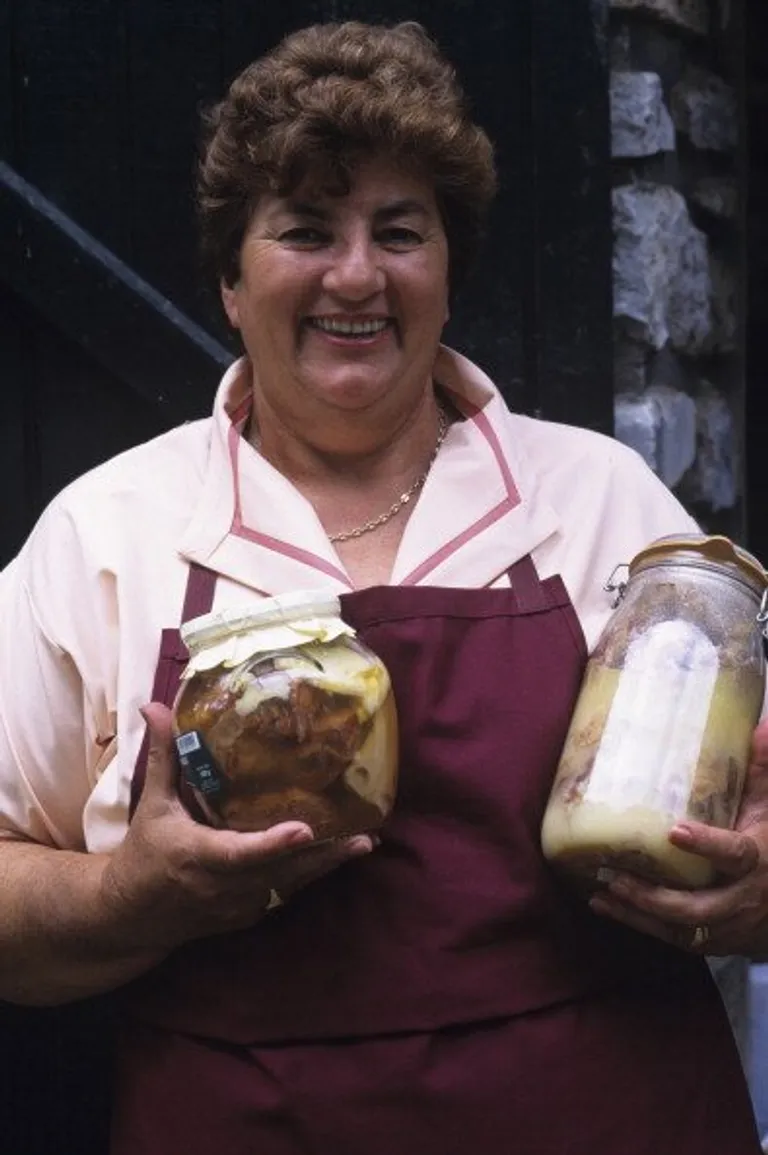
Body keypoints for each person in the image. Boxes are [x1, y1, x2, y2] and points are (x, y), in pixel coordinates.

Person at [0, 19, 767, 1154]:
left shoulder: (602, 499)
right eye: (306, 229)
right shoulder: (109, 533)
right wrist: (132, 901)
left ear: (448, 273)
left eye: (399, 232)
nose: (356, 273)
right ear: (229, 279)